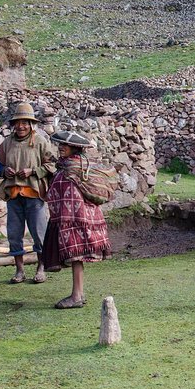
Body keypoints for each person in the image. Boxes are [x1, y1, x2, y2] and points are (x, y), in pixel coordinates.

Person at [44, 130, 112, 309]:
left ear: (74, 147)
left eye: (64, 145)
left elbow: (72, 195)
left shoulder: (72, 169)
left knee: (76, 257)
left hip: (76, 219)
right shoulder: (69, 167)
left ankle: (76, 296)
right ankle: (79, 293)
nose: (61, 148)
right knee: (77, 258)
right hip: (74, 218)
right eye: (60, 145)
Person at [0, 102, 56, 284]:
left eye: (25, 122)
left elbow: (52, 164)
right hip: (14, 195)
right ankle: (19, 270)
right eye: (18, 122)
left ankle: (41, 268)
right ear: (14, 124)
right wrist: (4, 170)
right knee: (14, 233)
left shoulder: (40, 142)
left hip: (34, 194)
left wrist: (33, 171)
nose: (21, 126)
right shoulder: (8, 143)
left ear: (31, 124)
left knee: (39, 232)